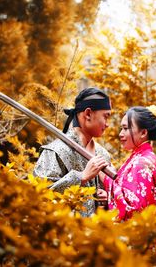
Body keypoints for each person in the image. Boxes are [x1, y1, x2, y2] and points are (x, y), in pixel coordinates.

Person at [33, 87, 111, 217]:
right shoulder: (55, 151)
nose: (107, 124)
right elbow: (39, 197)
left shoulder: (103, 154)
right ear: (88, 114)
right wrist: (81, 177)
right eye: (106, 116)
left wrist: (106, 198)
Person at [100, 106, 156, 221]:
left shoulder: (141, 163)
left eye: (125, 128)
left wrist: (107, 178)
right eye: (121, 128)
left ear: (143, 132)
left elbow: (132, 211)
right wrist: (109, 196)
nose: (120, 133)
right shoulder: (145, 158)